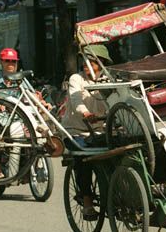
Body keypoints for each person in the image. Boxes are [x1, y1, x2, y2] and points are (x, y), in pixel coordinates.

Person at [0, 48, 52, 179]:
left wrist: (41, 103)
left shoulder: (20, 79)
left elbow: (30, 94)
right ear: (1, 62)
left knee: (37, 132)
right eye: (7, 61)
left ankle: (34, 163)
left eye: (13, 61)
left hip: (17, 116)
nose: (11, 64)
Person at [61, 44, 112, 221]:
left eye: (92, 61)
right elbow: (75, 97)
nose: (86, 64)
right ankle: (87, 201)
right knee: (84, 157)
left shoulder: (107, 80)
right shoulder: (77, 79)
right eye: (85, 60)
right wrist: (85, 112)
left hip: (100, 131)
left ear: (101, 63)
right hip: (75, 131)